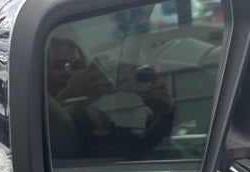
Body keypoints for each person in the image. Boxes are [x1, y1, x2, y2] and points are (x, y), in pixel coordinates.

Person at [46, 37, 174, 159]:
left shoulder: (96, 118)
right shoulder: (37, 120)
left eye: (76, 66)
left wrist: (163, 115)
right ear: (41, 73)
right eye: (57, 65)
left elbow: (136, 151)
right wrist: (71, 95)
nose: (68, 72)